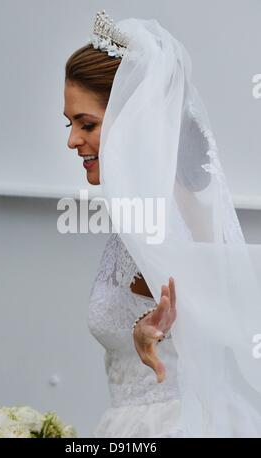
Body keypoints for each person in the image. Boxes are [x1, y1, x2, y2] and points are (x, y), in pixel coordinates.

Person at [64, 11, 261, 438]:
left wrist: (152, 333)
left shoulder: (176, 202)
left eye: (87, 124)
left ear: (131, 118)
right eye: (70, 123)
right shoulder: (136, 208)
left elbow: (218, 299)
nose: (72, 140)